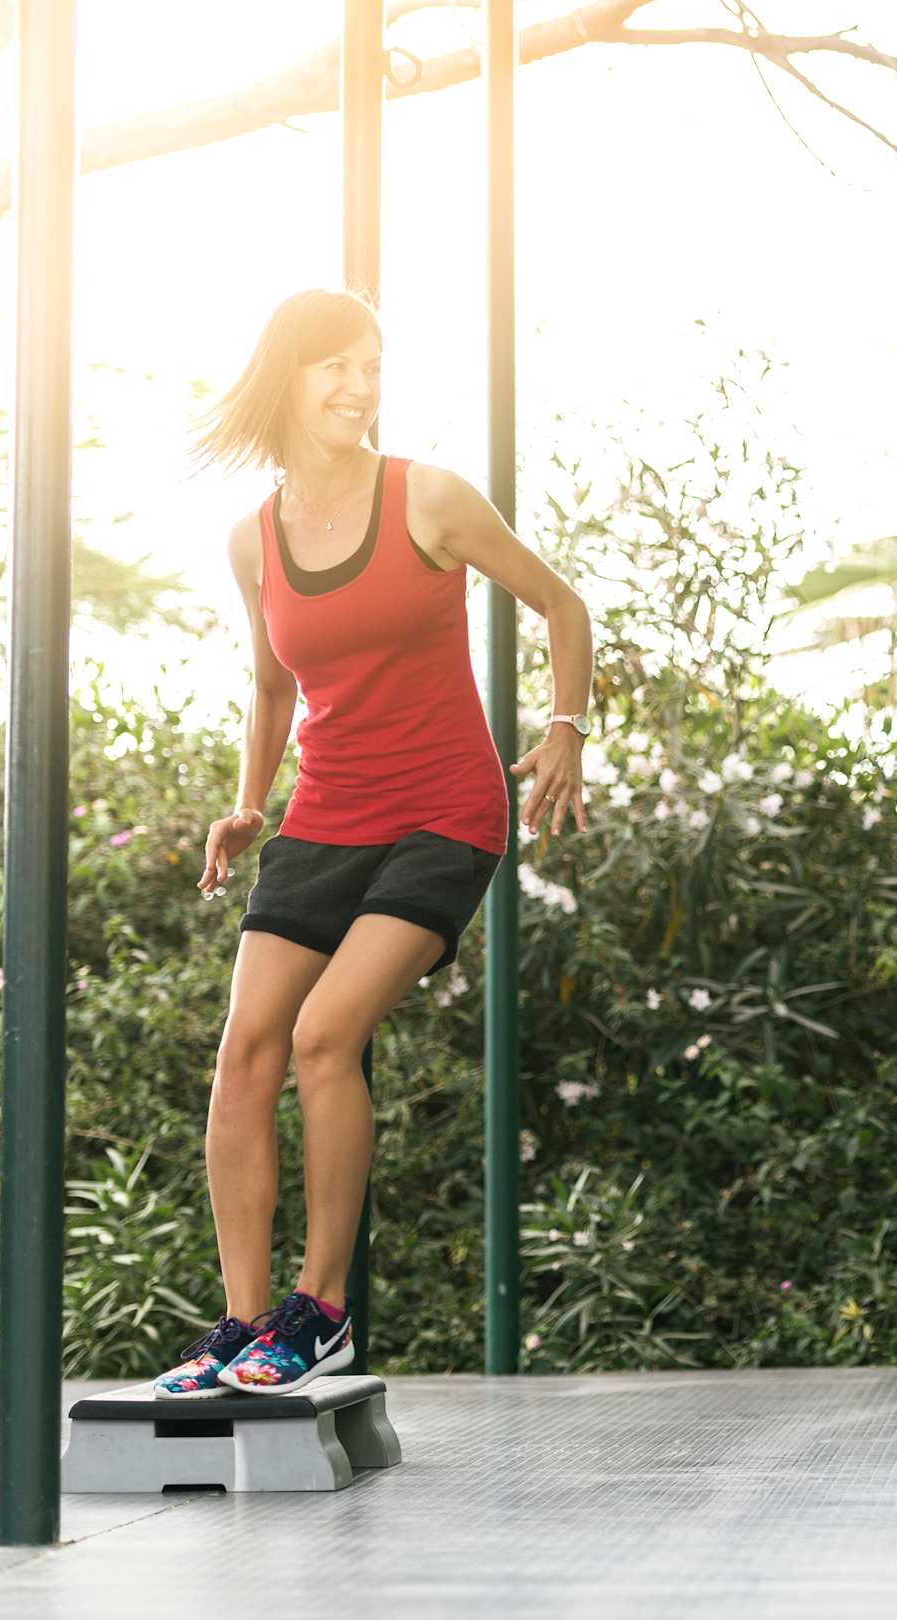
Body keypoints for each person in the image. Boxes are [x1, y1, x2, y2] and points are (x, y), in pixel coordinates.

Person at [153, 288, 594, 1398]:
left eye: (373, 366)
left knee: (323, 1034)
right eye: (336, 367)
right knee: (245, 1051)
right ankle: (242, 1325)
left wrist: (564, 730)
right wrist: (247, 802)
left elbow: (561, 604)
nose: (360, 387)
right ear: (288, 378)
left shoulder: (427, 499)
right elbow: (271, 687)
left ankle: (323, 1313)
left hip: (443, 811)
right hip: (324, 815)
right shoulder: (252, 541)